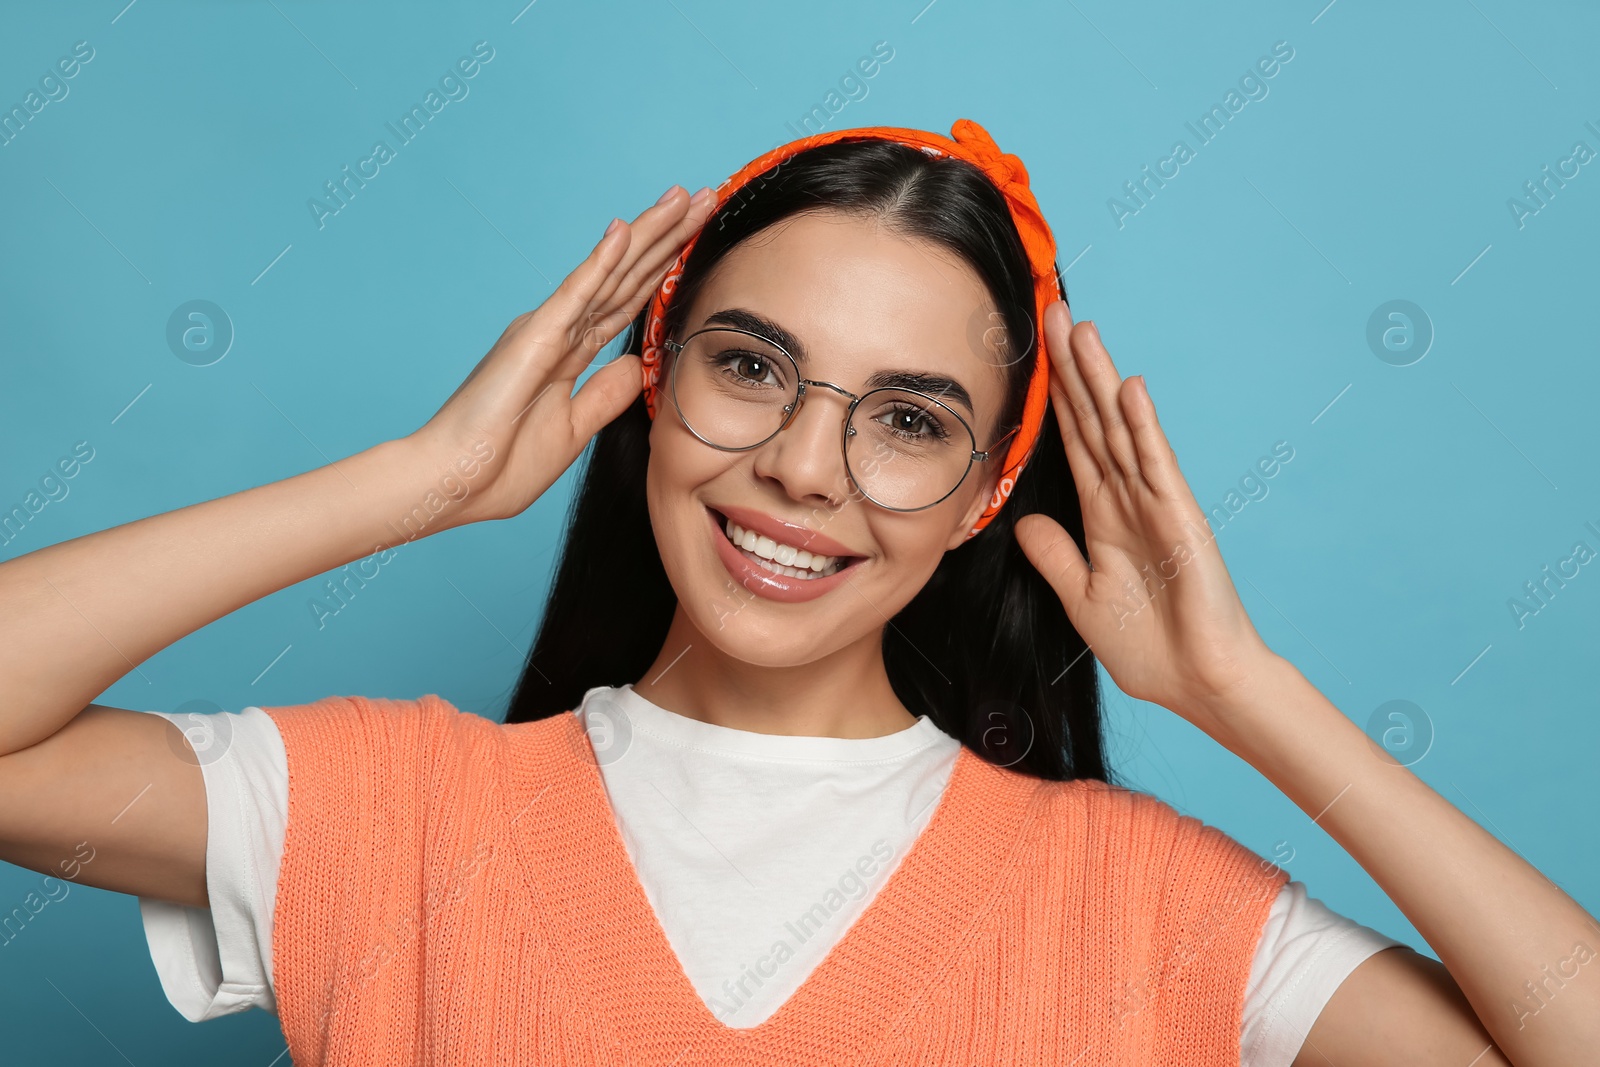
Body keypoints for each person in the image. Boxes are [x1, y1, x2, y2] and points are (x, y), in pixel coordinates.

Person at [1, 119, 1595, 1066]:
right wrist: (417, 484)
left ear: (987, 496)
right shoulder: (386, 814)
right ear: (651, 379)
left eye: (908, 421)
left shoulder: (1153, 909)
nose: (805, 467)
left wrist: (1248, 696)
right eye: (753, 368)